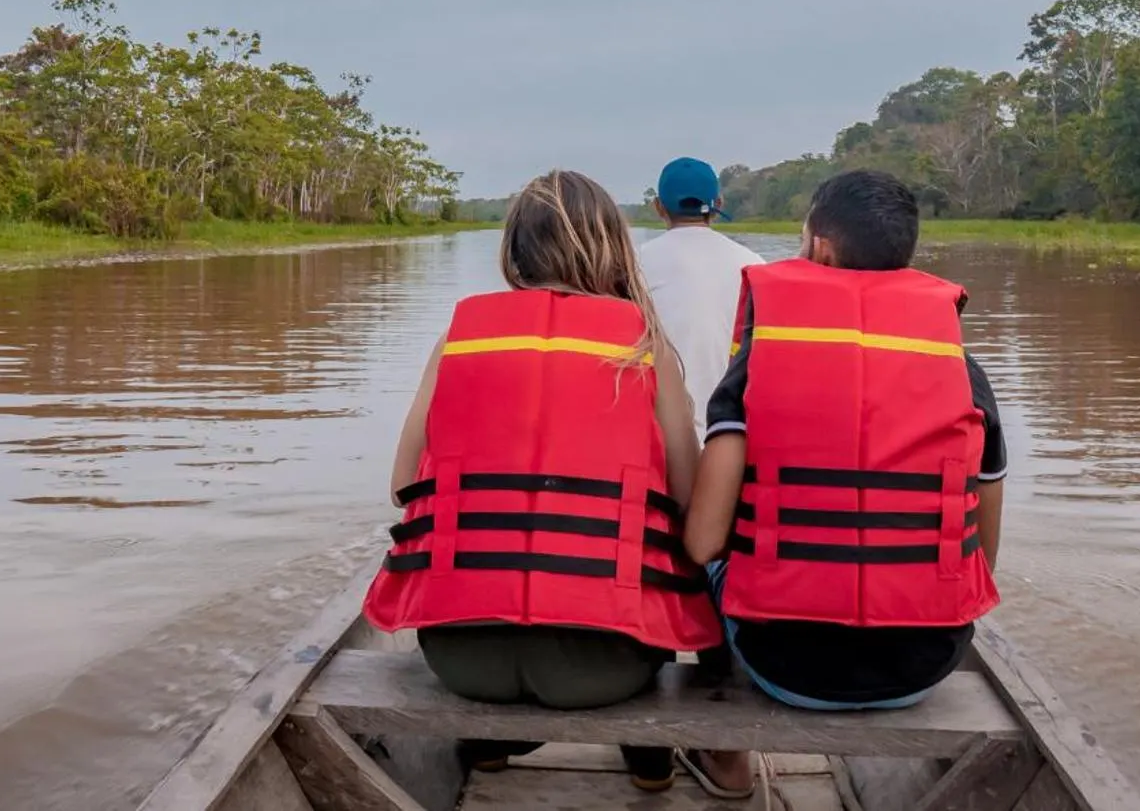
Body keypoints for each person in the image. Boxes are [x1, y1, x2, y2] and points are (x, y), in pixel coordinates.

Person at [364, 169, 721, 795]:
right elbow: (691, 506)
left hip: (459, 659)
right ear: (611, 246)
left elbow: (402, 486)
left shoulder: (461, 339)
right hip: (606, 666)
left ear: (513, 253)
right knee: (677, 560)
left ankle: (491, 750)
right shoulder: (641, 345)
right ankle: (649, 762)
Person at [678, 170, 1007, 796]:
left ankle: (724, 754)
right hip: (926, 664)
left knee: (696, 557)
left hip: (781, 663)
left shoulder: (757, 365)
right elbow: (982, 556)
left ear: (818, 250)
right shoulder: (961, 371)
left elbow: (702, 545)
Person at [638, 157, 767, 432]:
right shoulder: (755, 265)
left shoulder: (632, 264)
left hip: (659, 433)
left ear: (659, 207)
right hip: (730, 432)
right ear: (718, 204)